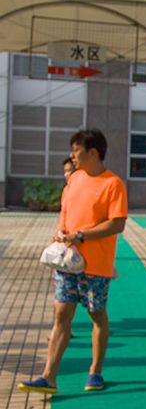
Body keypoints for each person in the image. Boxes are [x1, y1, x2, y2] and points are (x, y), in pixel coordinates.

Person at [19, 129, 128, 394]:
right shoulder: (75, 179)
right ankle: (49, 376)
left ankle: (95, 371)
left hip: (96, 266)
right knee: (61, 315)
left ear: (93, 152)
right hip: (68, 264)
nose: (72, 156)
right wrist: (60, 231)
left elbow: (117, 223)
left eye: (76, 150)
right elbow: (64, 213)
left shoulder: (113, 184)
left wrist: (81, 235)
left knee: (97, 316)